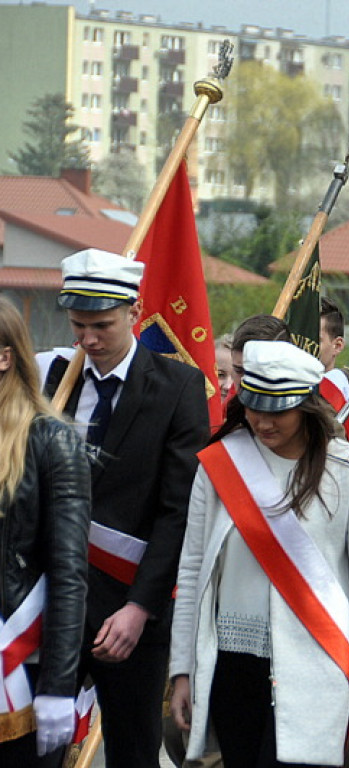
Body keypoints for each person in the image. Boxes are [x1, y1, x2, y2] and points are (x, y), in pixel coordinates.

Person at [169, 340, 349, 767]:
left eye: (277, 409)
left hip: (317, 665)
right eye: (253, 406)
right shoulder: (219, 466)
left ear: (306, 406)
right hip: (232, 667)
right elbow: (192, 574)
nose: (262, 421)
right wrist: (182, 671)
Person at [43, 248, 210, 768]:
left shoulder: (178, 388)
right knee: (34, 746)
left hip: (131, 605)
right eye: (78, 325)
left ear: (134, 313)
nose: (88, 340)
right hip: (52, 601)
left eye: (101, 326)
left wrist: (140, 607)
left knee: (133, 752)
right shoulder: (53, 382)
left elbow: (177, 510)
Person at [0, 297, 91, 766]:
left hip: (22, 666)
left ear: (4, 356)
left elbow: (69, 571)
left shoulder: (51, 441)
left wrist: (58, 685)